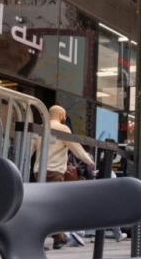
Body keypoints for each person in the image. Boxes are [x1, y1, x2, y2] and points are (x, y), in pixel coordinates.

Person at [31, 105, 95, 250]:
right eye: (64, 115)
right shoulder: (63, 129)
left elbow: (31, 148)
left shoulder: (41, 128)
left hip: (38, 170)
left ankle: (57, 238)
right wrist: (88, 161)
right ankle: (55, 237)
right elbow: (76, 147)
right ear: (61, 115)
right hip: (55, 171)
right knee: (52, 206)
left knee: (43, 205)